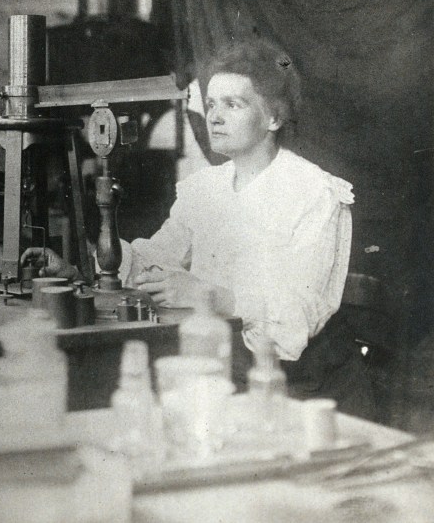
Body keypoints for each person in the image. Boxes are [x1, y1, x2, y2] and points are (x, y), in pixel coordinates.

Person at [25, 38, 372, 416]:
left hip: (305, 391)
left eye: (233, 104)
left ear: (274, 117)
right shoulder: (207, 189)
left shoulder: (314, 193)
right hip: (224, 371)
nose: (215, 117)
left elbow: (297, 316)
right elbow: (152, 261)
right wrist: (80, 266)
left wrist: (205, 294)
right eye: (210, 104)